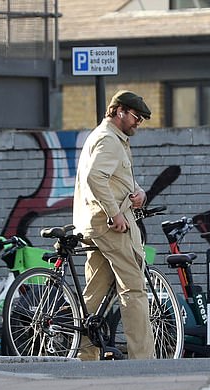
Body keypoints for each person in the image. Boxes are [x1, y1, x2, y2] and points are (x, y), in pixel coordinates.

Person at [72, 89, 154, 360]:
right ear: (119, 111)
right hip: (110, 227)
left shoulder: (102, 137)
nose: (138, 123)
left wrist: (138, 192)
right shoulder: (109, 140)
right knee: (134, 288)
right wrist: (114, 214)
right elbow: (96, 178)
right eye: (135, 117)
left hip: (91, 225)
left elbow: (113, 177)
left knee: (93, 296)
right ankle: (143, 359)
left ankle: (86, 356)